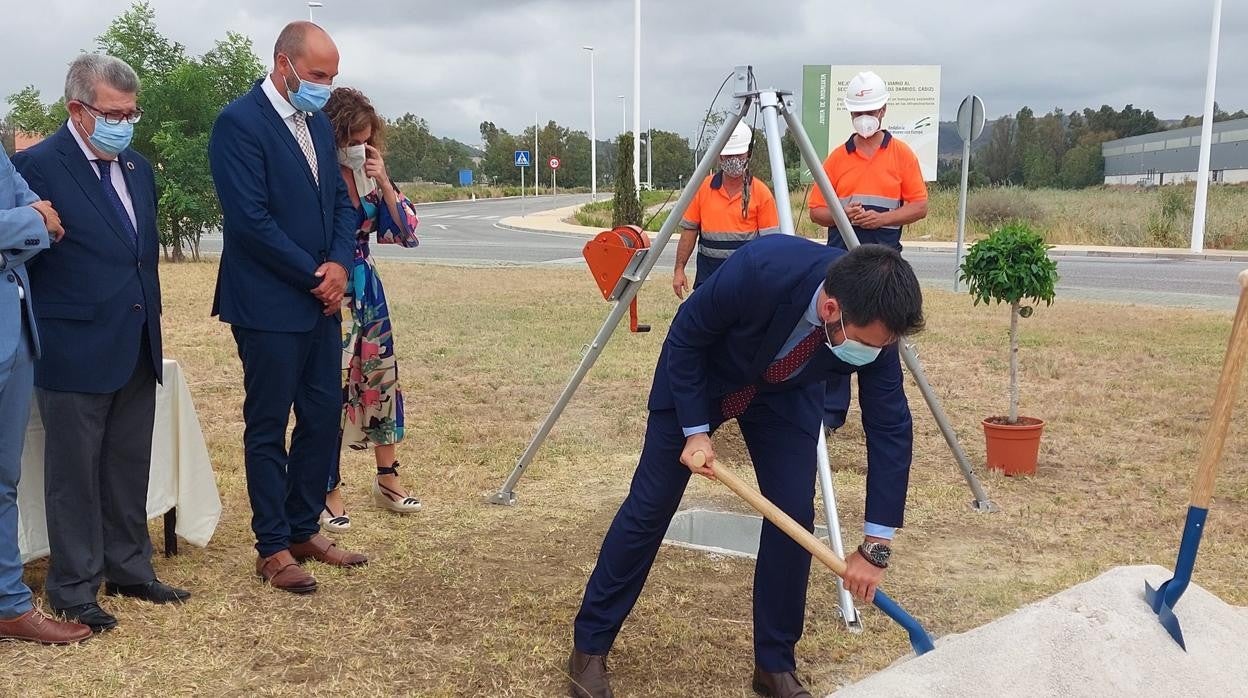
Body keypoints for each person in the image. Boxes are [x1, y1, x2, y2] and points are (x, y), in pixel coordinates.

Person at [568, 235, 924, 698]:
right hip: (704, 375)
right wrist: (695, 430)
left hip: (786, 395)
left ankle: (774, 666)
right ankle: (589, 647)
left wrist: (876, 545)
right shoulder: (761, 268)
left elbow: (890, 424)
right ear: (832, 309)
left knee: (792, 516)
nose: (872, 354)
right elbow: (687, 336)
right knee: (650, 506)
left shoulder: (876, 327)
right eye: (865, 345)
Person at [12, 54, 189, 633]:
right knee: (74, 476)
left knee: (126, 464)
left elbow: (139, 254)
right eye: (114, 113)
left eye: (132, 113)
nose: (125, 123)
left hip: (136, 339)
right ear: (77, 110)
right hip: (72, 343)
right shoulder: (35, 167)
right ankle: (73, 587)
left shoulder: (137, 167)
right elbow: (27, 254)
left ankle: (129, 568)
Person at [208, 21, 367, 594]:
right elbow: (250, 223)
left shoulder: (317, 124)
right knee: (269, 423)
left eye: (332, 76)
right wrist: (314, 274)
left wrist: (339, 267)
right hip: (269, 304)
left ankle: (304, 527)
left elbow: (342, 204)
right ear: (284, 65)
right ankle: (272, 546)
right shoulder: (239, 124)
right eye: (318, 75)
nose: (325, 86)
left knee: (322, 418)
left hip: (322, 302)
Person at [319, 87, 422, 532]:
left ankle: (387, 480)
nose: (359, 147)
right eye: (352, 139)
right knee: (327, 390)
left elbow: (405, 233)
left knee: (380, 380)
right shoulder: (318, 171)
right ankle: (327, 489)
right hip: (328, 287)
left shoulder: (369, 177)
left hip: (367, 291)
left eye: (366, 139)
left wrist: (382, 181)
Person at [0, 151, 91, 644]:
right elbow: (32, 217)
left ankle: (9, 604)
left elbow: (47, 219)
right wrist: (25, 223)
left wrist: (20, 226)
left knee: (3, 480)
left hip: (14, 336)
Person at [807, 70, 929, 433]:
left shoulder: (901, 155)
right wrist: (842, 212)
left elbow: (920, 205)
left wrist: (882, 219)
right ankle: (830, 414)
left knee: (882, 332)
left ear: (884, 110)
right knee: (837, 330)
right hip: (840, 255)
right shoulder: (835, 159)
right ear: (850, 114)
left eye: (872, 110)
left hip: (883, 255)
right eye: (859, 112)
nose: (866, 119)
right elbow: (816, 210)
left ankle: (882, 414)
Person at [672, 121, 780, 298]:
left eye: (738, 155)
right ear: (719, 156)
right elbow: (689, 232)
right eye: (728, 156)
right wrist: (679, 269)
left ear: (748, 154)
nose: (733, 161)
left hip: (746, 284)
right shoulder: (702, 188)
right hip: (708, 280)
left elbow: (771, 245)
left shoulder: (761, 193)